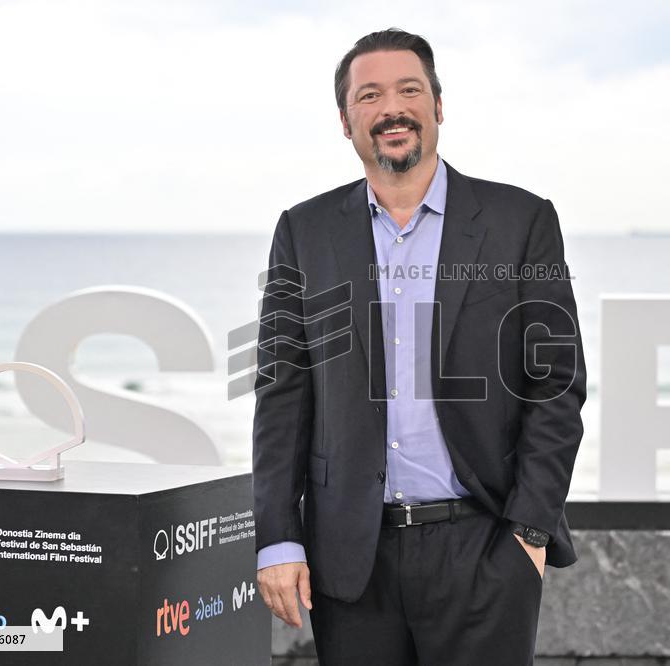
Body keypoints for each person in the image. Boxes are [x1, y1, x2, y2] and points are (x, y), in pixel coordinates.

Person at [252, 27, 587, 665]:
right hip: (351, 560)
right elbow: (281, 392)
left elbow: (556, 384)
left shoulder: (521, 221)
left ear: (438, 106)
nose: (391, 108)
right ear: (346, 121)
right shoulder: (305, 231)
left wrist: (530, 533)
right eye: (369, 96)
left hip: (484, 546)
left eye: (409, 90)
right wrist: (279, 539)